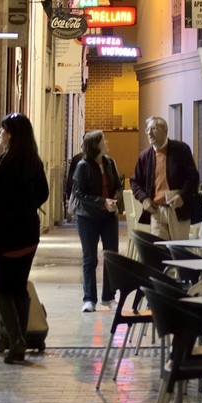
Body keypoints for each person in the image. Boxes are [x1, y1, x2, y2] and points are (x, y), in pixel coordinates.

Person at [0, 113, 49, 363]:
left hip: (5, 234)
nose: (0, 134)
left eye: (3, 131)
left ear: (12, 135)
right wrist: (26, 207)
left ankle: (16, 341)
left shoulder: (0, 163)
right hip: (28, 233)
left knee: (1, 288)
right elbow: (44, 193)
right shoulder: (34, 163)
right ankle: (21, 339)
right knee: (19, 286)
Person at [71, 129, 124, 311]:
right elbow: (79, 193)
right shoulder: (83, 166)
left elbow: (118, 185)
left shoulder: (110, 163)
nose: (107, 142)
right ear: (95, 145)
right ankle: (89, 299)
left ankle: (109, 297)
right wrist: (102, 202)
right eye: (104, 140)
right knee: (90, 258)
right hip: (88, 217)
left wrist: (115, 200)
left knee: (111, 256)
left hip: (109, 216)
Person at [131, 115, 200, 241]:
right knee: (159, 252)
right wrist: (144, 199)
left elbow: (193, 178)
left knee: (178, 251)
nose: (149, 133)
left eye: (154, 129)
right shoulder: (145, 156)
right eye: (148, 130)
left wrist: (182, 196)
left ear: (165, 131)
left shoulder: (181, 150)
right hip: (156, 210)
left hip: (177, 209)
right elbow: (135, 182)